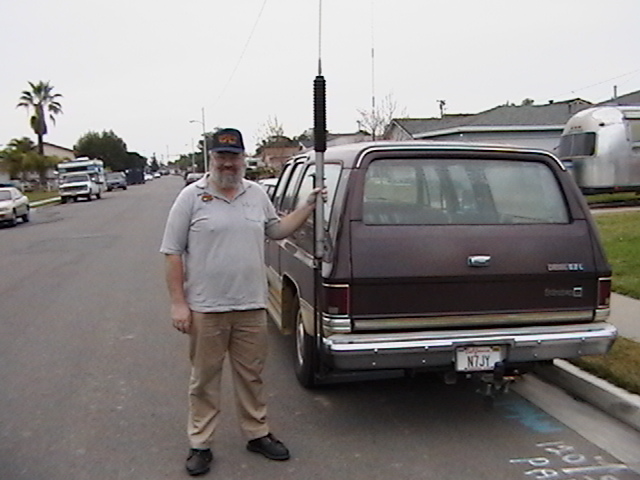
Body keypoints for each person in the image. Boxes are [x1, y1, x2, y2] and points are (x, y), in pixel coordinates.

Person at [160, 127, 323, 476]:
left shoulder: (255, 195)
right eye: (222, 156)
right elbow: (172, 253)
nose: (228, 163)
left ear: (243, 159)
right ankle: (200, 443)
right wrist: (178, 304)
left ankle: (257, 433)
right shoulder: (191, 197)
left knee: (251, 376)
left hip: (251, 305)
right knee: (204, 379)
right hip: (206, 309)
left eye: (234, 157)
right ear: (211, 159)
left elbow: (276, 230)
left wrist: (307, 207)